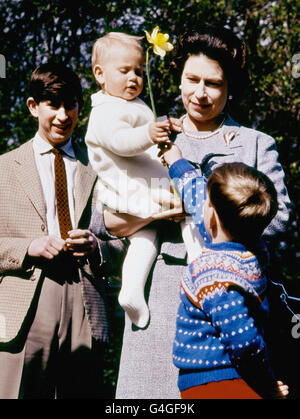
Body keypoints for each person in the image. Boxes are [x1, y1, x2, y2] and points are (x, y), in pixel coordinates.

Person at [94, 25, 291, 399]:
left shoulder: (256, 145)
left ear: (230, 87)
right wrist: (156, 213)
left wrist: (191, 201)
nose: (200, 93)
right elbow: (102, 221)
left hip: (229, 327)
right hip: (154, 306)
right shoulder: (148, 134)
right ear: (179, 78)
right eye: (192, 79)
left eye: (214, 83)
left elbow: (278, 221)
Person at [0, 62, 120, 399]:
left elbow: (125, 242)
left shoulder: (100, 169)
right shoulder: (4, 168)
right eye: (53, 104)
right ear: (33, 106)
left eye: (71, 105)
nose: (63, 115)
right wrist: (27, 248)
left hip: (85, 299)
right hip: (25, 299)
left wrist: (97, 247)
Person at [161, 142, 289, 399]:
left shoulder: (214, 274)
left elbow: (245, 342)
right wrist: (177, 163)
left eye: (207, 202)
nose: (202, 204)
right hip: (231, 380)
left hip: (220, 385)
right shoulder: (253, 249)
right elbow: (199, 197)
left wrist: (267, 385)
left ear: (212, 217)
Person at [85, 32, 183, 329]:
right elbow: (120, 142)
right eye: (125, 70)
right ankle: (198, 250)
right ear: (100, 74)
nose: (134, 78)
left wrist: (165, 127)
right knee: (180, 210)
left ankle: (131, 288)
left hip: (143, 184)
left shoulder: (135, 104)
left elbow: (148, 139)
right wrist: (149, 134)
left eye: (139, 71)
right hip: (128, 188)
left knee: (146, 237)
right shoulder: (104, 111)